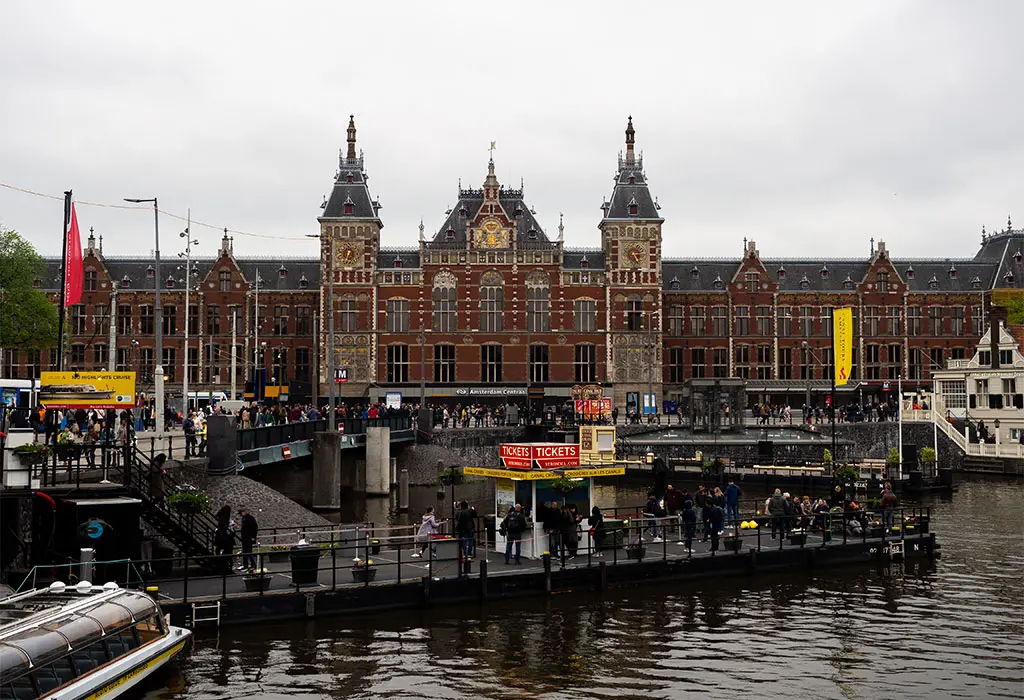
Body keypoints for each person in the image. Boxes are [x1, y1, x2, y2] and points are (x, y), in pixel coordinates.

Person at [214, 506, 234, 572]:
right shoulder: (224, 519)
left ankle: (222, 564)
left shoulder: (221, 517)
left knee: (219, 550)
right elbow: (225, 527)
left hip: (220, 537)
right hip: (224, 538)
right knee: (227, 551)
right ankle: (226, 565)